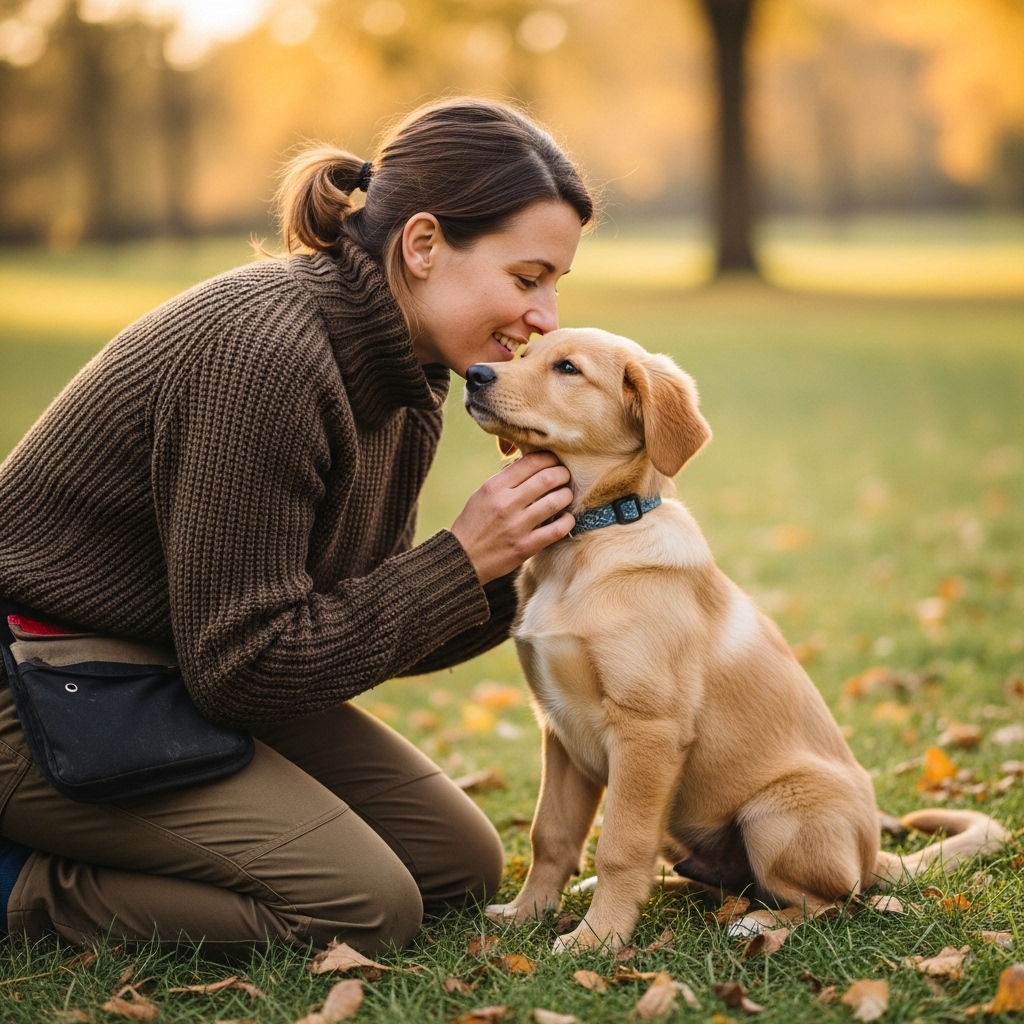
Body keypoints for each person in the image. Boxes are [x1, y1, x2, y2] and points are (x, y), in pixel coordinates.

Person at [0, 97, 593, 957]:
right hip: (37, 679)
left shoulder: (408, 376)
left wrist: (529, 565)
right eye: (527, 277)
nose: (546, 317)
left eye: (555, 285)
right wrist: (461, 560)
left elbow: (343, 627)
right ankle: (21, 881)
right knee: (361, 907)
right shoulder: (265, 355)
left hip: (171, 665)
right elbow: (245, 671)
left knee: (455, 865)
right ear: (423, 246)